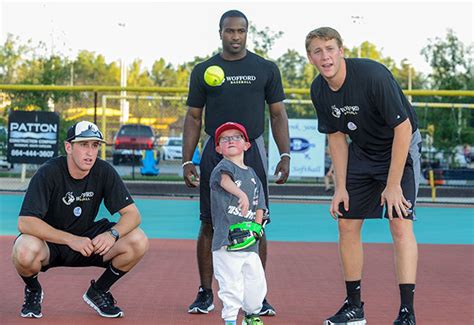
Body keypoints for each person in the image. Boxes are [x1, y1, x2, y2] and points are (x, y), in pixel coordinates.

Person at [306, 27, 421, 325]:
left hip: (400, 147)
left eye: (330, 48)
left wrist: (393, 184)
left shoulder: (373, 75)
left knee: (399, 222)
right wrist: (340, 187)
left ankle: (407, 311)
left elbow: (403, 129)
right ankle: (354, 308)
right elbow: (335, 137)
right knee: (346, 222)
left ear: (341, 50)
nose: (325, 56)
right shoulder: (318, 90)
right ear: (310, 58)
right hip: (364, 152)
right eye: (317, 51)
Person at [182, 9, 290, 317]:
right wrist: (187, 160)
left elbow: (278, 114)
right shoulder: (204, 70)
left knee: (258, 222)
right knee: (208, 222)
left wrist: (284, 154)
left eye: (241, 31)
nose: (235, 36)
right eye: (230, 31)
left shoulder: (265, 68)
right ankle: (205, 293)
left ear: (247, 32)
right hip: (214, 152)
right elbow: (193, 117)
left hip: (251, 151)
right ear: (220, 33)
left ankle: (258, 296)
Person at [11, 121, 149, 319]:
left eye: (95, 145)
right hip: (52, 243)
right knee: (23, 249)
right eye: (84, 145)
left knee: (138, 240)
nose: (90, 152)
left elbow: (133, 214)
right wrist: (70, 239)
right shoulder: (48, 172)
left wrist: (112, 234)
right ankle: (33, 291)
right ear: (69, 147)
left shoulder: (103, 171)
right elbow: (25, 222)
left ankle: (99, 290)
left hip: (89, 242)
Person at [211, 122, 267, 325]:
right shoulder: (223, 168)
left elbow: (260, 204)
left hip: (249, 244)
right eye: (224, 139)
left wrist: (257, 228)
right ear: (218, 149)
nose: (231, 140)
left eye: (236, 137)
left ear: (246, 145)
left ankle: (251, 316)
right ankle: (230, 320)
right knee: (230, 286)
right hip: (227, 242)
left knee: (256, 285)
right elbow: (225, 181)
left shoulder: (253, 175)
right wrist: (240, 193)